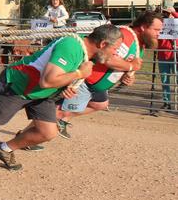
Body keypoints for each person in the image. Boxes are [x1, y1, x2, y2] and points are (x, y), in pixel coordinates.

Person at [0, 25, 123, 170]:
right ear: (103, 44)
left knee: (48, 132)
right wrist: (79, 74)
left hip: (40, 94)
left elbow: (54, 79)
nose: (115, 54)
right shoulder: (72, 46)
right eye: (115, 49)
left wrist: (66, 86)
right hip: (19, 85)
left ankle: (4, 149)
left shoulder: (82, 51)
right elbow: (48, 80)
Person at [23, 11, 163, 148]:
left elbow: (125, 65)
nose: (158, 33)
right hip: (88, 81)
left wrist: (128, 76)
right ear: (143, 27)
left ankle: (58, 122)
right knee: (57, 112)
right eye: (156, 29)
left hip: (96, 85)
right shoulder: (126, 36)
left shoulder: (139, 45)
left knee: (99, 104)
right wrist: (131, 65)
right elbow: (108, 59)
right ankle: (25, 137)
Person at [155, 7, 176, 114]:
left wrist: (173, 13)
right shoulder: (159, 23)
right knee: (164, 80)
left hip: (176, 55)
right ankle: (166, 103)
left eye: (167, 13)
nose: (165, 14)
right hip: (162, 55)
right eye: (164, 12)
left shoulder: (175, 22)